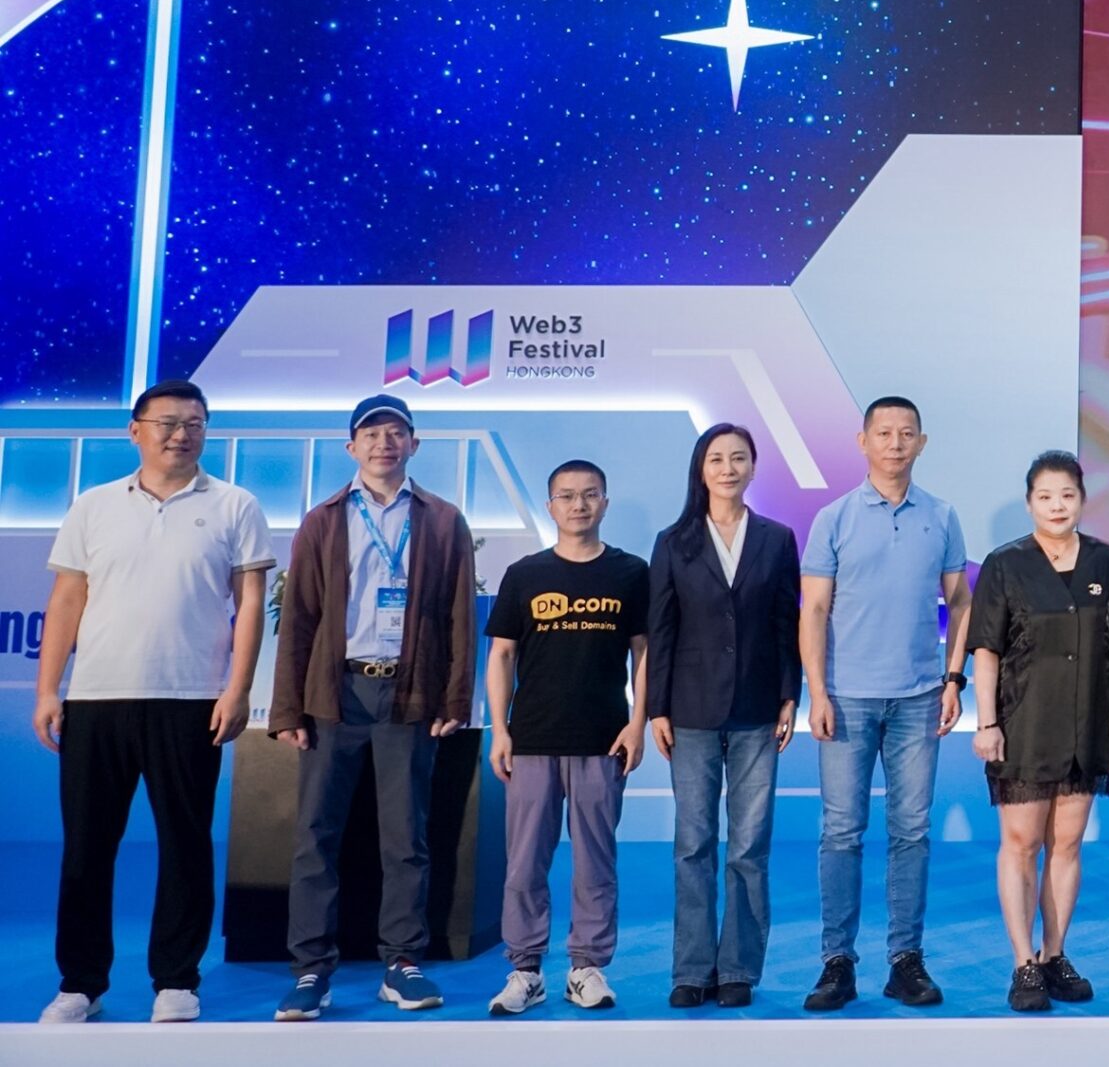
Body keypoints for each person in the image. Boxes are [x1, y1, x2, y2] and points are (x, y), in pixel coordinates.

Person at [36, 380, 274, 1025]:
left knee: (185, 842)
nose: (181, 434)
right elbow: (67, 600)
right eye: (167, 422)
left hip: (191, 698)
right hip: (97, 698)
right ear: (135, 430)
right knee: (86, 847)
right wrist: (49, 689)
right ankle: (80, 983)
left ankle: (176, 980)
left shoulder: (235, 505)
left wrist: (238, 688)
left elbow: (251, 603)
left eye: (194, 423)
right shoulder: (93, 505)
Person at [269, 393, 478, 1021]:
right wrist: (288, 710)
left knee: (406, 836)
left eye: (396, 433)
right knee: (316, 834)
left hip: (409, 693)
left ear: (414, 444)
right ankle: (311, 970)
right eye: (371, 433)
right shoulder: (323, 520)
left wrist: (455, 697)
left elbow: (460, 616)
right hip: (336, 694)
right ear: (351, 447)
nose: (384, 443)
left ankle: (402, 962)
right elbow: (299, 619)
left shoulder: (442, 520)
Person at [799, 396, 970, 1010]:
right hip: (846, 698)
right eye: (884, 433)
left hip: (919, 698)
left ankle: (905, 960)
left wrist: (953, 680)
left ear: (922, 442)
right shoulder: (834, 518)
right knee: (841, 832)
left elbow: (961, 601)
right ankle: (836, 963)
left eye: (906, 433)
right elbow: (814, 609)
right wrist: (817, 692)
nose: (895, 443)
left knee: (911, 832)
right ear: (863, 441)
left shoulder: (942, 515)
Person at [484, 460, 651, 1016]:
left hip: (603, 741)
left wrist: (638, 722)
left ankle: (587, 968)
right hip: (532, 740)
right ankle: (525, 970)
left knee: (595, 863)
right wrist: (500, 730)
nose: (579, 505)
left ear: (605, 503)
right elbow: (501, 654)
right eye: (567, 496)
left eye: (590, 495)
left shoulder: (631, 573)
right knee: (523, 864)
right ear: (550, 506)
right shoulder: (525, 574)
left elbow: (645, 653)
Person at [647, 423, 801, 1009]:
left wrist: (790, 694)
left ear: (753, 467)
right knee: (693, 843)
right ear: (701, 469)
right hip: (689, 710)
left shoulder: (777, 538)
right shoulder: (674, 541)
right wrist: (656, 707)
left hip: (759, 708)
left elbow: (787, 622)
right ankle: (691, 969)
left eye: (739, 458)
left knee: (748, 846)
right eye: (717, 459)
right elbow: (661, 629)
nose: (728, 468)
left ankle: (738, 968)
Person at [966, 451, 1109, 1012]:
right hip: (1023, 723)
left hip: (1088, 723)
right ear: (1030, 503)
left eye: (1068, 495)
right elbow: (986, 650)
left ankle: (1055, 954)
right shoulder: (1005, 564)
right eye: (1046, 496)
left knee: (1068, 844)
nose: (1058, 506)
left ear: (1083, 500)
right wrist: (987, 722)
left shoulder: (1106, 560)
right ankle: (1023, 962)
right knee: (1022, 844)